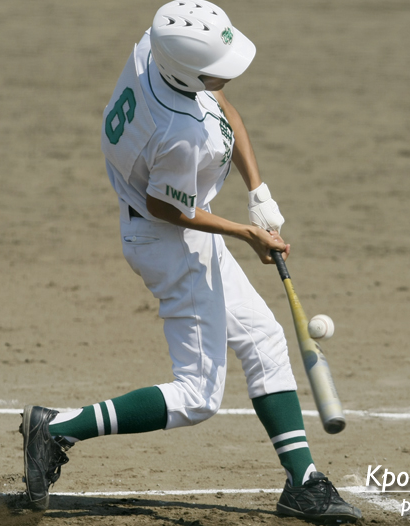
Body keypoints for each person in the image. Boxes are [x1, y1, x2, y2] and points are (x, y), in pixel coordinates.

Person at [20, 2, 362, 522]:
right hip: (168, 242)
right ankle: (57, 428)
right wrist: (246, 233)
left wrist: (258, 189)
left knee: (265, 339)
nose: (226, 71)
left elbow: (221, 103)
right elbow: (169, 207)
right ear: (187, 71)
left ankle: (303, 482)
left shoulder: (156, 51)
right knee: (199, 395)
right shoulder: (180, 134)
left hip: (172, 225)